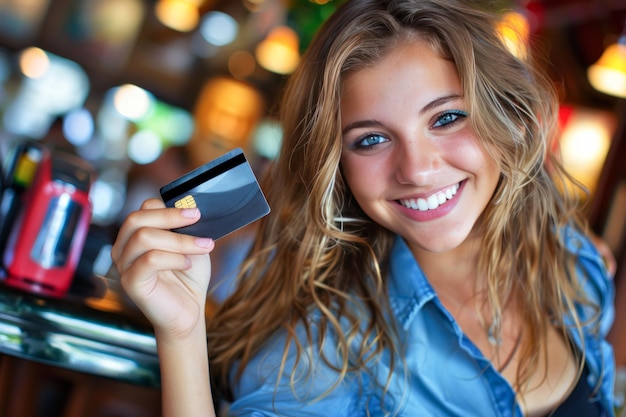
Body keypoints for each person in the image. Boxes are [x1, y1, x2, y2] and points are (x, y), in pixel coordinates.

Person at [111, 0, 617, 415]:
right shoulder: (320, 349)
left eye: (446, 118)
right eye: (371, 139)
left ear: (507, 118)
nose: (416, 169)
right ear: (336, 165)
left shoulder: (574, 263)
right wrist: (181, 333)